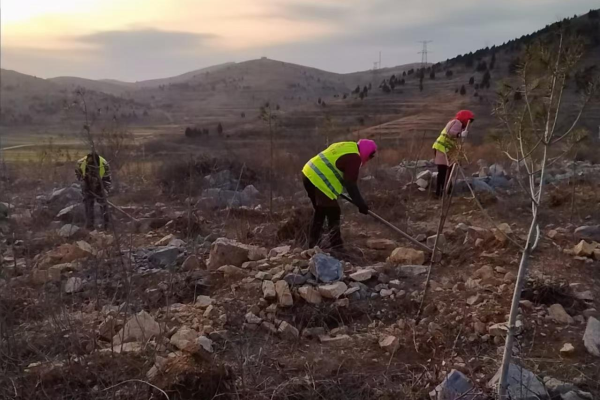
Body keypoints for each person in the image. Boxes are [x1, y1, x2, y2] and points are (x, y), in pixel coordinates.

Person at [302, 139, 377, 250]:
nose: (368, 160)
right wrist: (360, 204)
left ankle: (313, 245)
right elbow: (350, 184)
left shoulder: (348, 146)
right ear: (367, 152)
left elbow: (338, 167)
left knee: (320, 211)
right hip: (318, 178)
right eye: (370, 157)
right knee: (333, 212)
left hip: (308, 173)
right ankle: (337, 247)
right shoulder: (354, 158)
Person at [432, 110, 474, 198]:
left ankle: (446, 191)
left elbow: (453, 140)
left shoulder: (458, 125)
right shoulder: (457, 122)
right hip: (442, 148)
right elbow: (451, 132)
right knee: (443, 171)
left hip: (445, 149)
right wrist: (459, 135)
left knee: (447, 171)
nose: (469, 123)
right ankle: (440, 193)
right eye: (469, 120)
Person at [75, 152, 112, 230]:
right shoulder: (81, 163)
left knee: (104, 204)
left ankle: (107, 226)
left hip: (100, 185)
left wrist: (105, 191)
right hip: (88, 185)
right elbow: (78, 174)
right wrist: (83, 182)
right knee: (88, 204)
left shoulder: (104, 164)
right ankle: (90, 226)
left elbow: (107, 180)